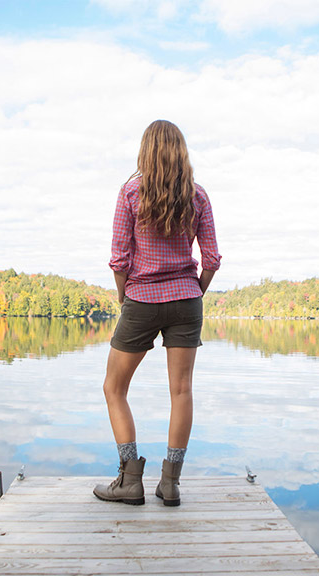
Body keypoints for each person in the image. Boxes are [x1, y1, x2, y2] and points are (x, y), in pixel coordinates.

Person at [93, 120, 221, 507]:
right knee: (181, 390)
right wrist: (192, 292)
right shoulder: (198, 197)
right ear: (181, 152)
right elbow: (211, 259)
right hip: (187, 299)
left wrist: (123, 296)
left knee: (114, 388)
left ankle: (130, 479)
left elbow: (119, 258)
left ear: (145, 151)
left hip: (142, 299)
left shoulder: (130, 192)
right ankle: (170, 483)